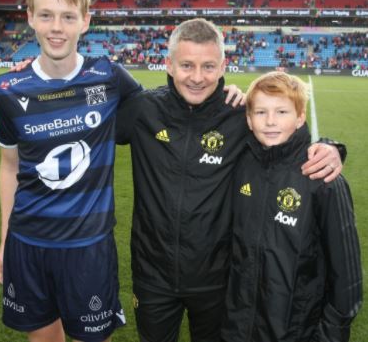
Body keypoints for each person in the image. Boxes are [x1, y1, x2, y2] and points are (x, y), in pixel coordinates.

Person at [115, 19, 345, 342]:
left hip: (217, 280)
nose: (197, 77)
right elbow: (86, 123)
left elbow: (282, 145)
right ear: (168, 64)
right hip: (153, 277)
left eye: (209, 66)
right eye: (186, 65)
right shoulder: (143, 110)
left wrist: (331, 148)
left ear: (224, 65)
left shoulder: (238, 115)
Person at [0, 0, 145, 342]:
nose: (56, 27)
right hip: (28, 244)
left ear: (85, 21)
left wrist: (233, 97)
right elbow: (9, 168)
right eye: (45, 15)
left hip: (88, 247)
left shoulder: (108, 76)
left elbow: (164, 107)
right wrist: (4, 241)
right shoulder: (8, 88)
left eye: (67, 16)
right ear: (30, 18)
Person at [221, 71, 362, 342]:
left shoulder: (323, 179)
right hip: (238, 327)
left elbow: (347, 277)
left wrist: (329, 334)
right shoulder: (240, 166)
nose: (271, 121)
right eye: (261, 112)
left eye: (282, 111)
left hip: (297, 331)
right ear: (249, 120)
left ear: (300, 117)